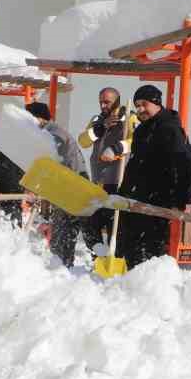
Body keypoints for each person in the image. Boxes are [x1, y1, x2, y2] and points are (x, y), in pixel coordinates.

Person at [115, 84, 191, 269]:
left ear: (156, 103)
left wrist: (184, 199)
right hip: (137, 202)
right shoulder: (142, 130)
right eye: (137, 105)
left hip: (157, 204)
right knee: (132, 253)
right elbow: (135, 165)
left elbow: (185, 164)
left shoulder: (169, 128)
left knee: (150, 256)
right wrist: (124, 191)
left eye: (144, 104)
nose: (140, 109)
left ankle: (147, 293)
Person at [26, 101, 90, 267]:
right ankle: (61, 266)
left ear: (38, 118)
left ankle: (63, 269)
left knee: (64, 234)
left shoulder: (53, 134)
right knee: (61, 234)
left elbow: (52, 163)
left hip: (73, 189)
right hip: (67, 189)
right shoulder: (49, 133)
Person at [79, 87, 129, 247]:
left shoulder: (129, 118)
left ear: (117, 101)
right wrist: (100, 128)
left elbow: (137, 141)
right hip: (97, 183)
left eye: (107, 102)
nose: (102, 106)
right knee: (89, 223)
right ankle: (97, 256)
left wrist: (118, 148)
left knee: (114, 227)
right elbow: (83, 141)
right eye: (101, 102)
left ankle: (114, 258)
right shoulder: (96, 119)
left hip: (118, 183)